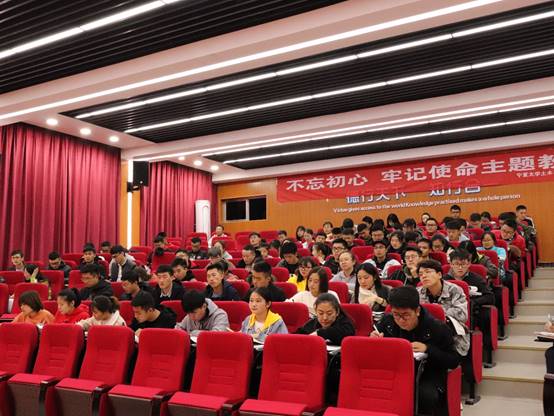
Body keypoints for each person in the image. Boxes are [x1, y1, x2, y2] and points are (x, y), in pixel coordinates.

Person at [372, 286, 460, 416]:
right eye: (396, 314)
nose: (400, 320)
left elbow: (454, 360)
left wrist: (428, 349)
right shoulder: (387, 321)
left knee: (424, 395)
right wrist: (374, 340)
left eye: (406, 315)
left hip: (427, 375)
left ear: (417, 311)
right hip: (395, 372)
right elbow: (375, 347)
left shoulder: (437, 328)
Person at [416, 260, 470, 357]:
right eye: (420, 274)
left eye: (428, 272)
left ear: (439, 275)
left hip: (453, 335)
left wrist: (437, 312)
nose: (423, 276)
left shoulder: (455, 290)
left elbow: (462, 314)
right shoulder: (417, 293)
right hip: (424, 334)